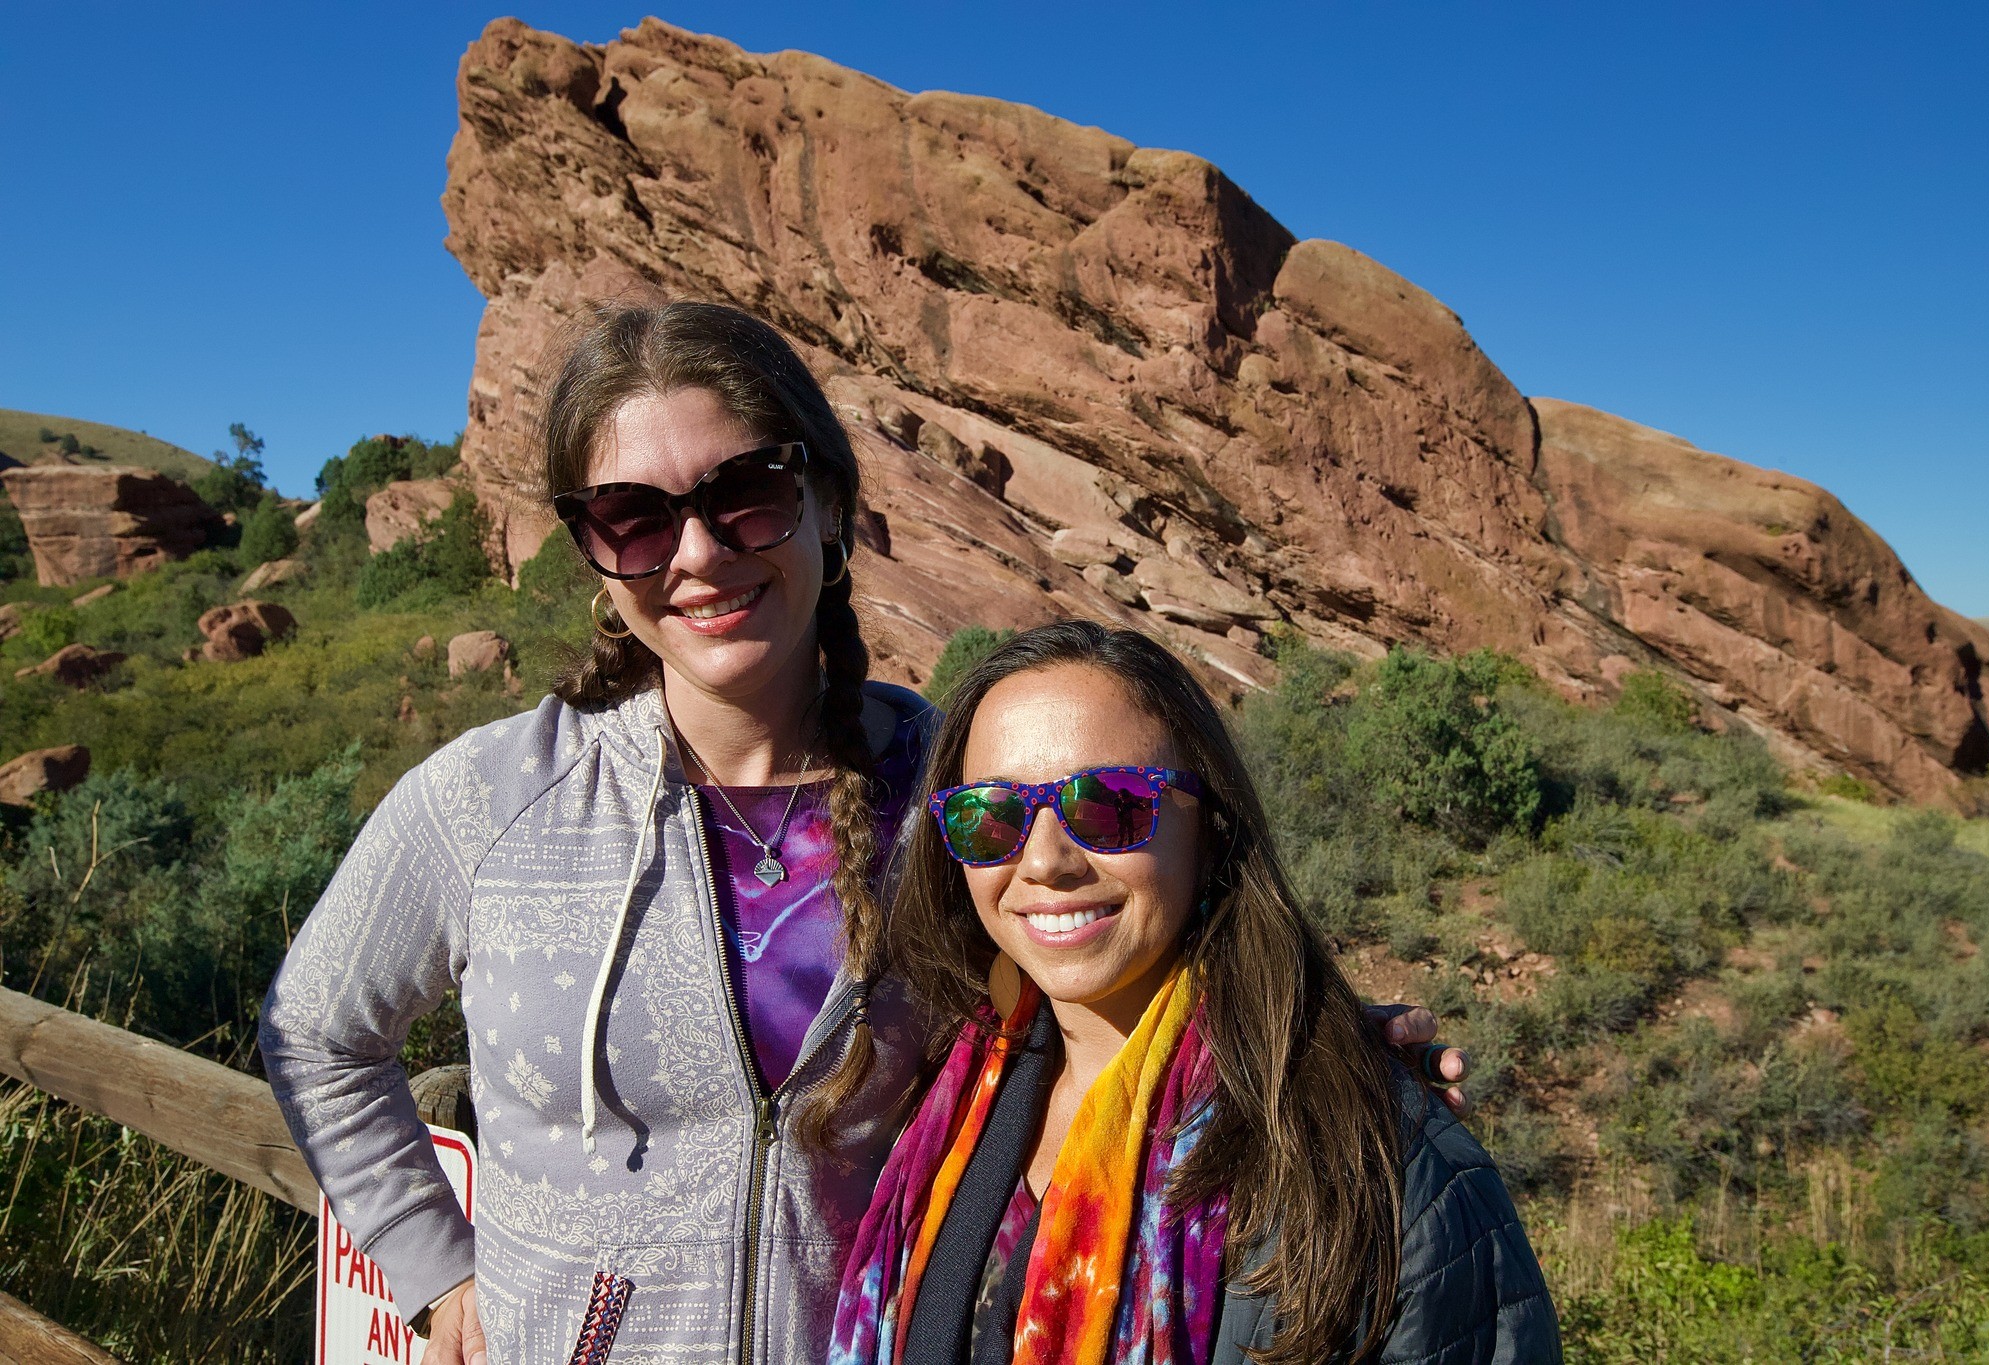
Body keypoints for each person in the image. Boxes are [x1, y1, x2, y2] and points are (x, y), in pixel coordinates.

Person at [259, 301, 1468, 1364]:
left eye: (746, 493)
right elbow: (316, 1030)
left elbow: (1124, 940)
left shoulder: (960, 792)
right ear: (591, 551)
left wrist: (1321, 1043)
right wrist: (438, 1272)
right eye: (633, 518)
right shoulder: (492, 799)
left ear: (826, 504)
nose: (696, 554)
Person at [832, 621, 1559, 1365]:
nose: (1045, 859)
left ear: (1208, 828)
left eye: (1109, 805)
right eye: (990, 815)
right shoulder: (931, 1103)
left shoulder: (1371, 1161)